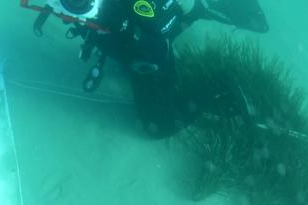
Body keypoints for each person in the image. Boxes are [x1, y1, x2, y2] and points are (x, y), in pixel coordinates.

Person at [23, 0, 268, 137]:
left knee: (159, 123)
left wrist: (143, 56)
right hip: (122, 33)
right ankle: (194, 12)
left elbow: (160, 32)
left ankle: (220, 87)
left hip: (145, 43)